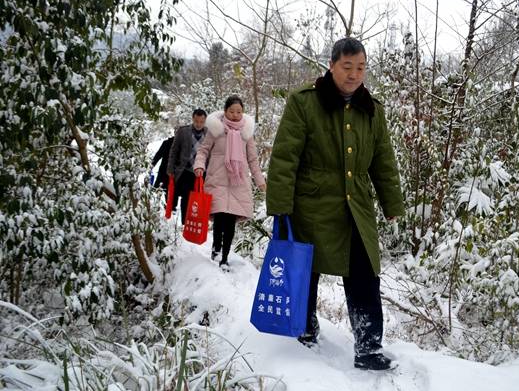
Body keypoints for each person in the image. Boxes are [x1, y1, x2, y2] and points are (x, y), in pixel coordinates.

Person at [266, 37, 403, 371]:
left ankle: (368, 347)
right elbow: (285, 157)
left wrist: (392, 202)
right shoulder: (305, 102)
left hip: (355, 208)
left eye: (361, 67)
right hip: (311, 205)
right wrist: (281, 206)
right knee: (305, 271)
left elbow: (383, 159)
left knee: (365, 274)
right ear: (331, 65)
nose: (355, 74)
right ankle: (305, 327)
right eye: (347, 67)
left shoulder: (372, 110)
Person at [193, 96, 266, 270]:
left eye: (239, 112)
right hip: (217, 179)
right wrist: (199, 166)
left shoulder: (246, 134)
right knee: (219, 217)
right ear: (225, 111)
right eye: (231, 111)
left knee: (230, 220)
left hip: (238, 182)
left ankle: (224, 257)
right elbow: (203, 151)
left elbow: (253, 160)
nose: (235, 115)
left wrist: (260, 181)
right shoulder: (215, 130)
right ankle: (216, 248)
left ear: (243, 113)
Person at [167, 108, 208, 224]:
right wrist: (170, 168)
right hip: (185, 170)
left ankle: (197, 221)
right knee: (186, 197)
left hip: (201, 171)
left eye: (201, 122)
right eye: (196, 121)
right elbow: (174, 151)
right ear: (193, 119)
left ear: (205, 121)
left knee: (199, 197)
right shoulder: (183, 131)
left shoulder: (209, 134)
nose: (199, 124)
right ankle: (185, 223)